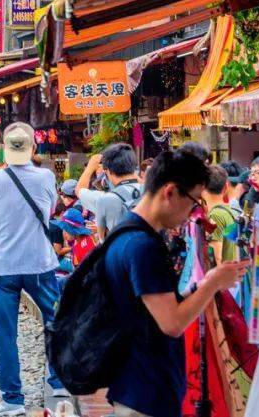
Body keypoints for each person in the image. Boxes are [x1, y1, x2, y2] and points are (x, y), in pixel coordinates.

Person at [102, 149, 249, 417]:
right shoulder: (143, 246)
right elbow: (172, 323)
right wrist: (213, 282)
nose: (193, 212)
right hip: (144, 389)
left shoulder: (130, 231)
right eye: (194, 202)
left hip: (137, 383)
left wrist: (197, 288)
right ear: (170, 192)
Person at [0, 121, 67, 413]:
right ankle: (59, 381)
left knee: (5, 333)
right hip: (40, 264)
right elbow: (50, 210)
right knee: (55, 322)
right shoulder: (46, 178)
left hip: (2, 268)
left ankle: (12, 400)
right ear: (33, 149)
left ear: (3, 152)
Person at [75, 143, 143, 240]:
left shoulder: (104, 199)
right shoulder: (151, 193)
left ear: (107, 171)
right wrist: (129, 169)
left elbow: (79, 190)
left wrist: (90, 167)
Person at [203, 165, 239, 266]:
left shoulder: (215, 215)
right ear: (226, 187)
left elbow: (217, 257)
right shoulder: (231, 209)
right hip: (233, 272)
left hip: (223, 276)